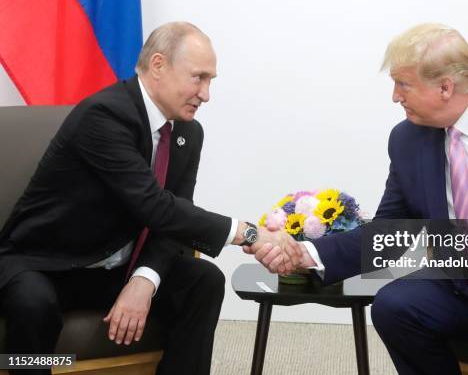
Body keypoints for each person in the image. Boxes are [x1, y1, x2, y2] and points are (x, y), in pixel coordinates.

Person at [247, 23, 468, 374]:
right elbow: (392, 231)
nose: (395, 97)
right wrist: (306, 254)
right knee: (395, 308)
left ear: (445, 87)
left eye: (402, 84)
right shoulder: (408, 139)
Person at [0, 21, 301, 375]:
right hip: (46, 264)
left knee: (203, 282)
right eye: (198, 78)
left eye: (210, 81)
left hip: (115, 267)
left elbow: (175, 219)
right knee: (32, 304)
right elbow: (155, 206)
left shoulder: (188, 131)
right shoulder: (104, 116)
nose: (206, 94)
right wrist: (250, 233)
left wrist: (144, 279)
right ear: (158, 65)